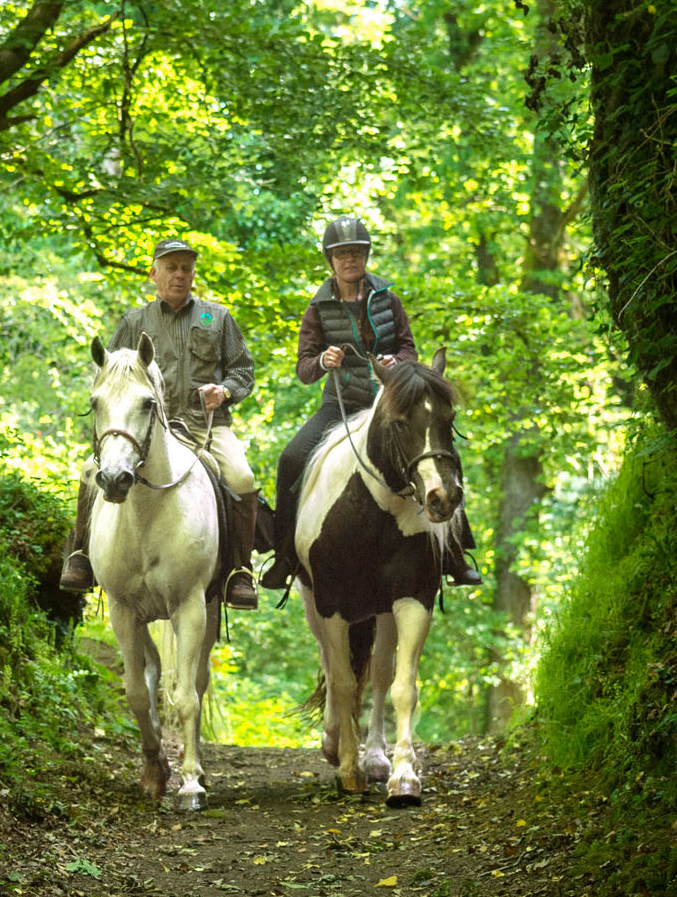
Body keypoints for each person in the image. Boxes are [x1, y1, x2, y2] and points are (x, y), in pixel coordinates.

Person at [260, 216, 482, 590]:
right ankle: (284, 555)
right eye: (343, 254)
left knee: (442, 451)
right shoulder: (317, 307)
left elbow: (408, 347)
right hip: (340, 405)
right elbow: (304, 366)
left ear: (366, 256)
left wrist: (402, 363)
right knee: (291, 459)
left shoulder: (388, 298)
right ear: (330, 260)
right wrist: (322, 362)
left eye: (357, 253)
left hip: (391, 404)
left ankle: (456, 553)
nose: (350, 260)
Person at [60, 238, 261, 611]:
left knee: (241, 477)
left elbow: (243, 372)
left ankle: (239, 571)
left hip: (206, 426)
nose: (180, 275)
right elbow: (110, 378)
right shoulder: (134, 322)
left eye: (186, 268)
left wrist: (226, 391)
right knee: (91, 469)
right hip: (145, 428)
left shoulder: (217, 318)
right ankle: (82, 556)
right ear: (154, 274)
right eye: (172, 267)